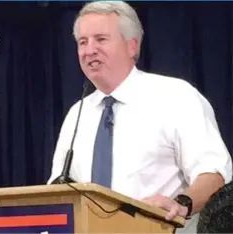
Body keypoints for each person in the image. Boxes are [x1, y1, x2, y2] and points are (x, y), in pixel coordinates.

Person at [47, 1, 233, 233]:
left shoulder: (176, 97)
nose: (89, 50)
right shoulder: (78, 113)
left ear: (132, 46)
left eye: (101, 39)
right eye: (82, 42)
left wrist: (181, 203)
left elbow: (214, 174)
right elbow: (58, 192)